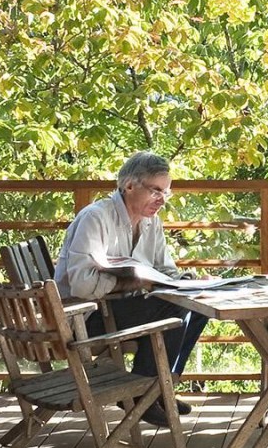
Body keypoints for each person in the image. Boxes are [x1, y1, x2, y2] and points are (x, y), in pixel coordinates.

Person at [55, 152, 207, 424]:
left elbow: (166, 269)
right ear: (129, 186)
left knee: (199, 305)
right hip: (86, 319)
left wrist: (185, 281)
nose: (162, 200)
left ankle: (161, 388)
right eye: (155, 191)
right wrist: (132, 281)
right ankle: (143, 393)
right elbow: (82, 284)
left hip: (121, 311)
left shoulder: (152, 223)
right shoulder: (96, 218)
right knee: (175, 307)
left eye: (166, 193)